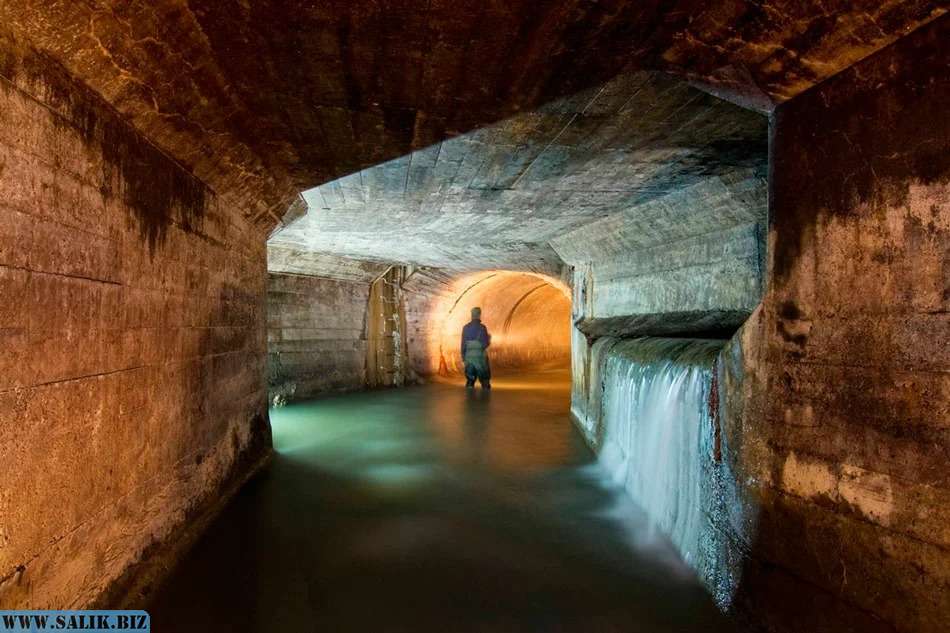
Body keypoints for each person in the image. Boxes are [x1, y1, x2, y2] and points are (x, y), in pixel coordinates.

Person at [460, 306, 491, 389]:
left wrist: (463, 357)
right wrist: (489, 339)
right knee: (485, 381)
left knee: (470, 381)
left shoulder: (465, 328)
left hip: (469, 357)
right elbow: (485, 344)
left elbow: (463, 344)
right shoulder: (482, 328)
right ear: (479, 315)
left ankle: (469, 398)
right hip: (480, 357)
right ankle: (485, 396)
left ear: (471, 315)